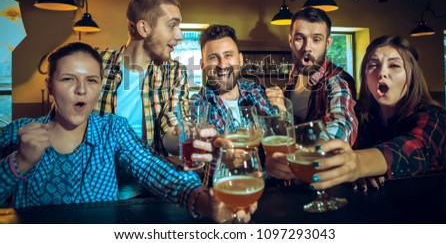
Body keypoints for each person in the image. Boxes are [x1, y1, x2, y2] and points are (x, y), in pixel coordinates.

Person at [0, 42, 256, 223]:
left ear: (100, 86)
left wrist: (202, 200)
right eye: (68, 79)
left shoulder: (112, 130)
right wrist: (19, 163)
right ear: (50, 86)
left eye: (91, 80)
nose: (81, 90)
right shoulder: (18, 134)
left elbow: (154, 169)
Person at [267, 35, 446, 190]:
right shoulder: (360, 115)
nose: (382, 73)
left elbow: (414, 149)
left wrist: (360, 164)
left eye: (394, 66)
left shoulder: (434, 117)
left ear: (412, 75)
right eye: (373, 65)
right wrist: (288, 164)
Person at [96, 0, 188, 156]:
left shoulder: (175, 73)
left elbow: (171, 128)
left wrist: (185, 138)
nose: (179, 35)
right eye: (172, 25)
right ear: (143, 28)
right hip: (98, 177)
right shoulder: (97, 65)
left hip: (150, 177)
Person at [266, 6, 358, 144]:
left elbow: (342, 123)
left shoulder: (338, 81)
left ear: (327, 43)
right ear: (290, 41)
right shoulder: (296, 72)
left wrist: (320, 149)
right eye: (299, 38)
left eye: (316, 39)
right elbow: (296, 124)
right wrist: (282, 110)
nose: (307, 47)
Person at [191, 24, 276, 136]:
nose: (222, 65)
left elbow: (279, 135)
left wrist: (282, 111)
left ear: (240, 60)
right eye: (213, 57)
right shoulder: (198, 105)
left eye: (228, 55)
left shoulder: (257, 92)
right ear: (202, 65)